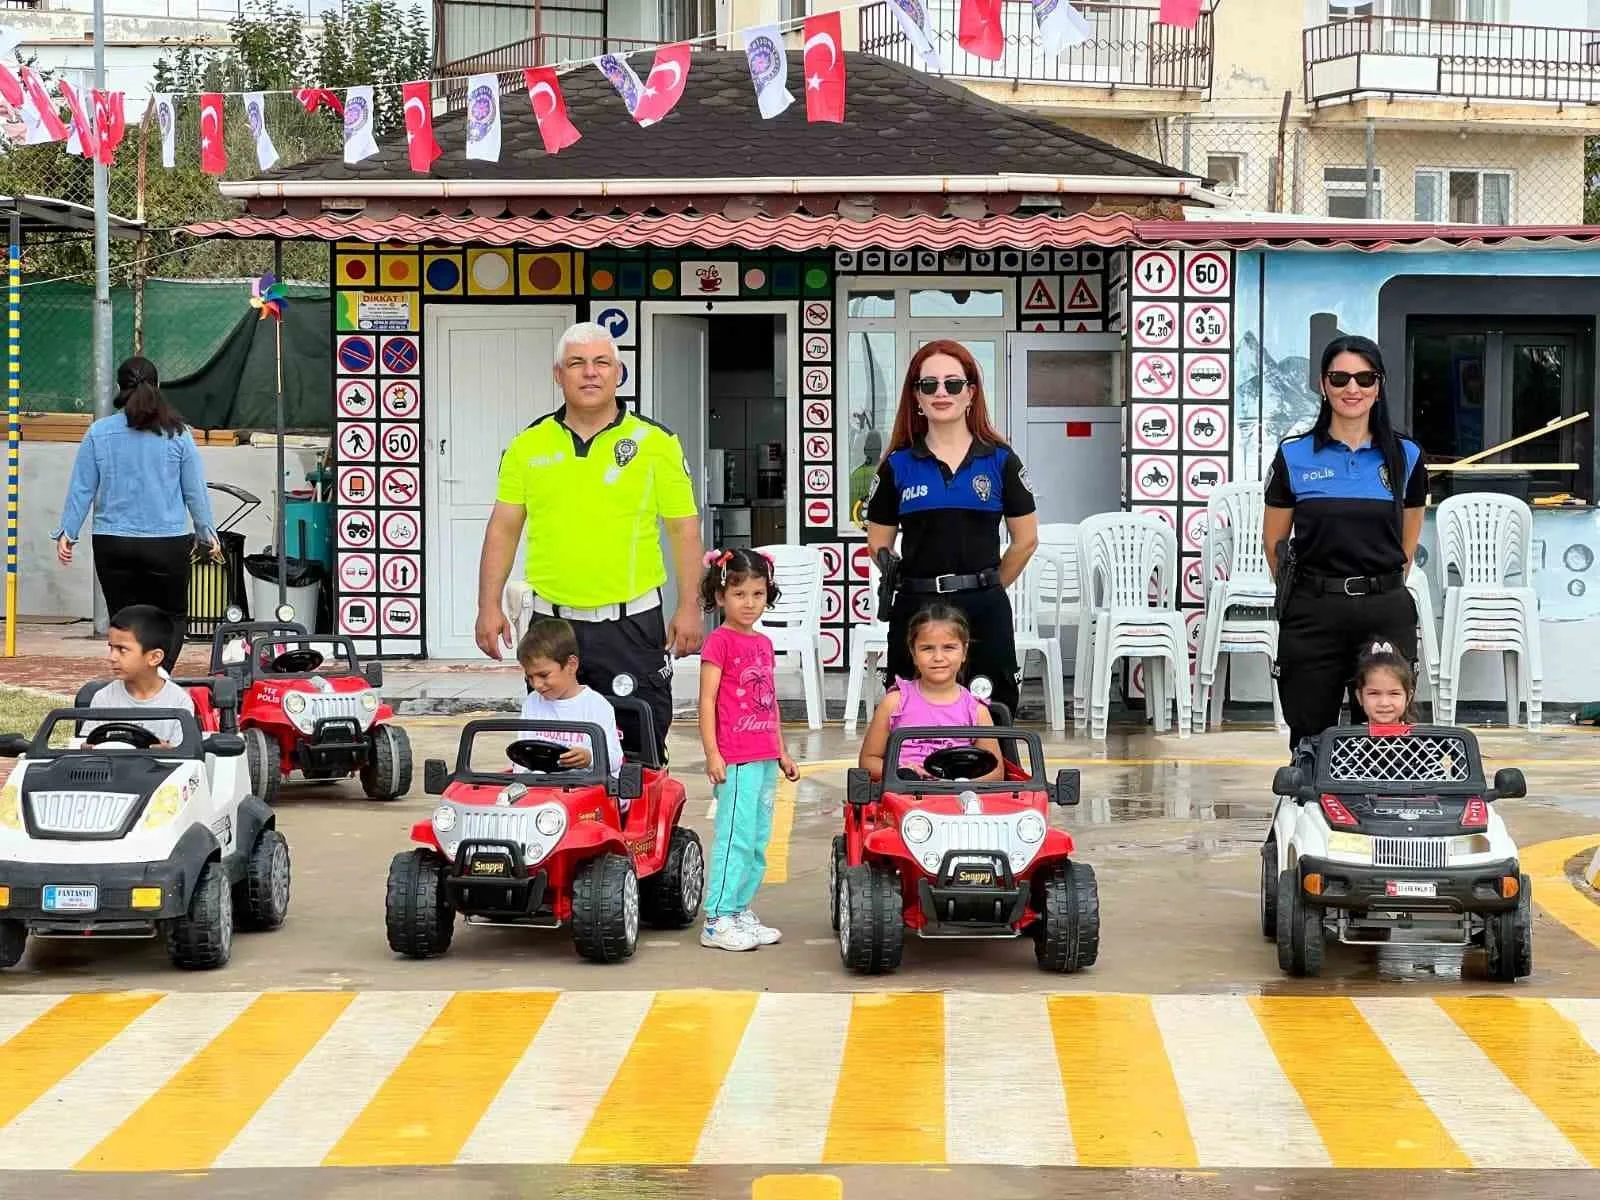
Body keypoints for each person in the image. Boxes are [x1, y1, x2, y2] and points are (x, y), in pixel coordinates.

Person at [475, 322, 704, 763]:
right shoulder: (528, 445)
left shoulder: (655, 443)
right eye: (576, 363)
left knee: (638, 751)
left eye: (602, 362)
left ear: (619, 372)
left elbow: (684, 529)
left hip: (631, 624)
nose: (590, 373)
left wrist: (689, 606)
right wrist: (488, 605)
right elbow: (503, 528)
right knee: (553, 754)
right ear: (558, 374)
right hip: (552, 625)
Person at [1265, 335, 1428, 750]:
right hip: (1314, 613)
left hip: (1384, 611)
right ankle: (1309, 813)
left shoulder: (1406, 456)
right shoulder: (1294, 456)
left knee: (1387, 742)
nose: (1351, 389)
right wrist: (1313, 594)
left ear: (1379, 384)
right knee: (1310, 738)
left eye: (1364, 378)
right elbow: (1275, 544)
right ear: (1323, 385)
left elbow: (1407, 545)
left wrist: (1375, 588)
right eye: (1339, 378)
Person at [864, 340, 1038, 718]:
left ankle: (994, 778)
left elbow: (1025, 541)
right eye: (929, 385)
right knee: (911, 715)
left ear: (971, 393)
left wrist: (986, 586)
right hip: (917, 610)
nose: (941, 393)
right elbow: (878, 543)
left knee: (993, 714)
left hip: (984, 610)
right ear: (916, 397)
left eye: (953, 384)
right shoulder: (897, 465)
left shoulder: (1001, 461)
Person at [54, 357, 222, 672]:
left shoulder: (99, 432)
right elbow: (194, 492)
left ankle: (133, 679)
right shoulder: (179, 434)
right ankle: (159, 677)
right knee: (170, 615)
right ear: (157, 387)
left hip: (112, 541)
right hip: (167, 542)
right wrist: (206, 532)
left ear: (120, 389)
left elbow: (82, 488)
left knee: (125, 615)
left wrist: (68, 531)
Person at [697, 548, 798, 952]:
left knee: (758, 839)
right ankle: (717, 918)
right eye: (740, 594)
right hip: (734, 758)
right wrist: (712, 753)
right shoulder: (719, 643)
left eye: (758, 594)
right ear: (721, 596)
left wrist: (782, 751)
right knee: (734, 836)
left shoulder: (763, 644)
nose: (750, 603)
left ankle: (739, 909)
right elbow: (707, 702)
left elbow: (768, 703)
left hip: (763, 756)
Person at [859, 604, 1002, 782]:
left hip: (958, 797)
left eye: (949, 647)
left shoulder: (976, 710)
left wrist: (960, 784)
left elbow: (995, 772)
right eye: (927, 648)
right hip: (904, 793)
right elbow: (867, 761)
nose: (938, 657)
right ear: (913, 653)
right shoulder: (894, 702)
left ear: (964, 652)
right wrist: (898, 771)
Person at [516, 617, 625, 781]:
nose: (536, 684)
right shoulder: (532, 703)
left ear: (571, 665)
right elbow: (522, 754)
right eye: (530, 677)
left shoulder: (596, 706)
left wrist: (590, 757)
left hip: (585, 785)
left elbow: (616, 758)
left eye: (543, 675)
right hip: (543, 785)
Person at [83, 605, 195, 748]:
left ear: (155, 657)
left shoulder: (179, 702)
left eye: (122, 650)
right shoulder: (103, 698)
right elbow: (85, 744)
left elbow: (184, 757)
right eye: (111, 648)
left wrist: (169, 750)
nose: (112, 657)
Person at [1353, 640, 1419, 727]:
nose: (1384, 703)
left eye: (1394, 693)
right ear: (1360, 696)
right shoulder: (1351, 740)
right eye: (1374, 693)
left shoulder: (1418, 739)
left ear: (1408, 697)